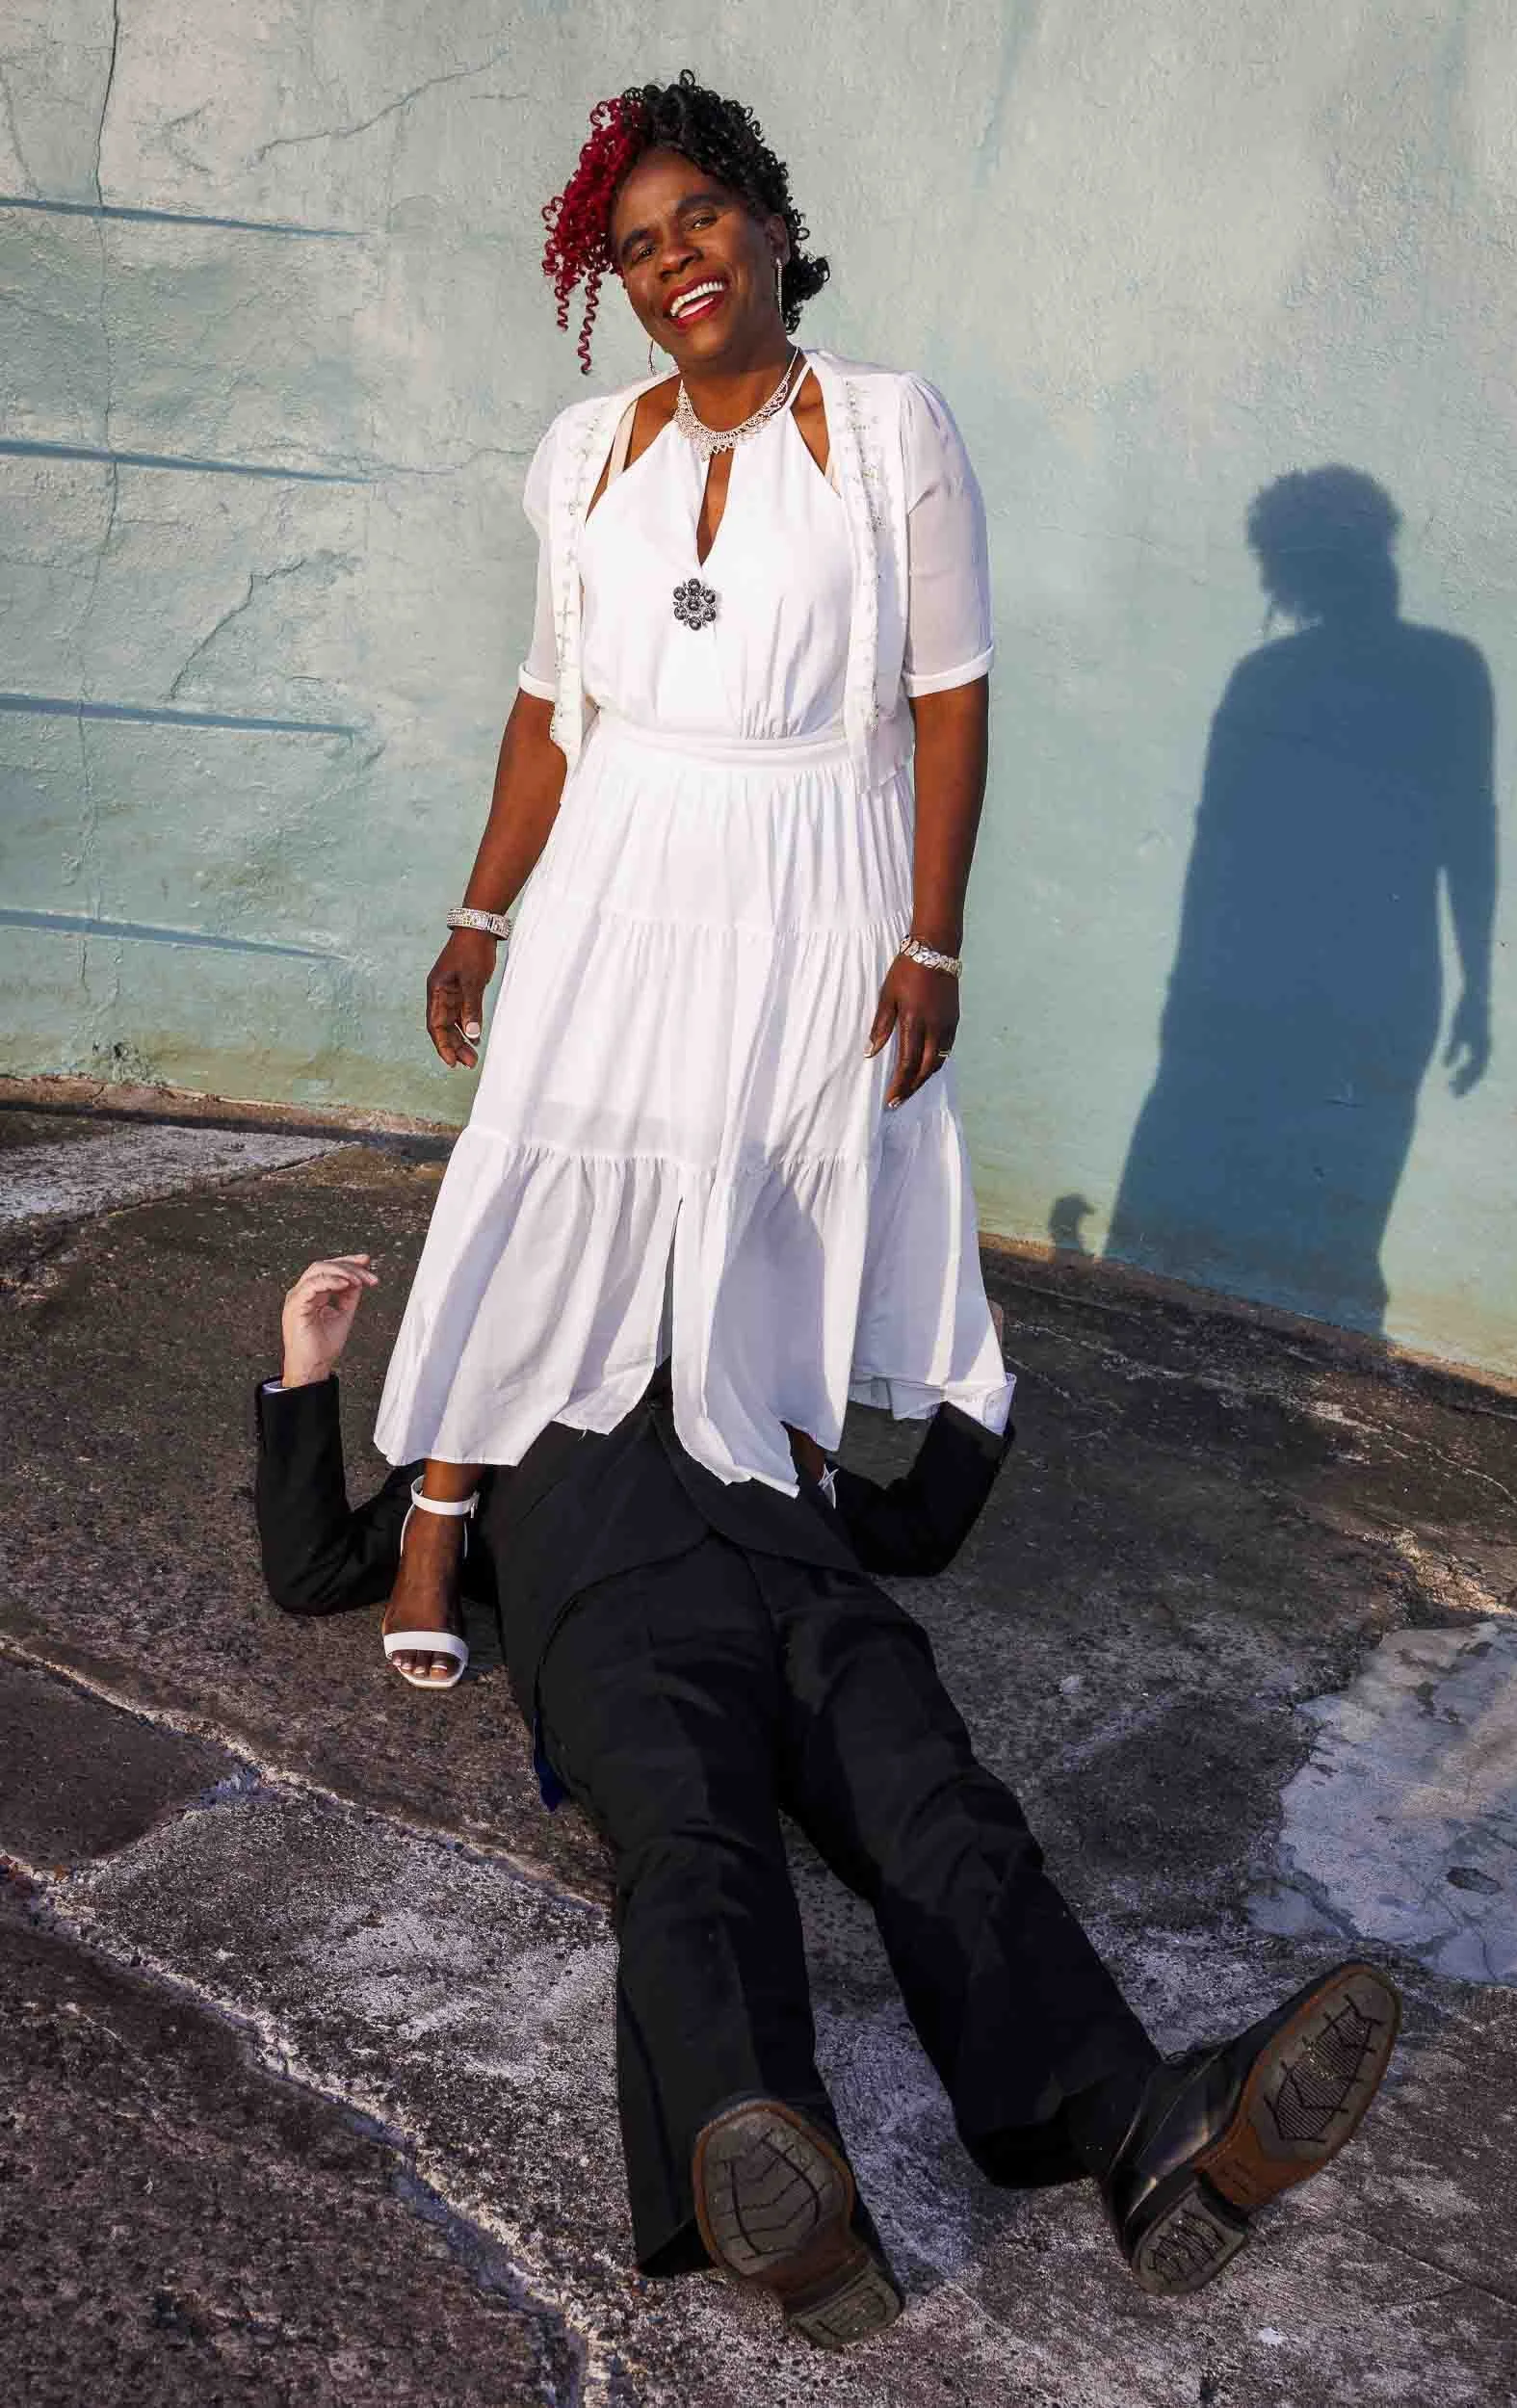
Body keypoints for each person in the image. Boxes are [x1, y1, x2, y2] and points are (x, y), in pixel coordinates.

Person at [258, 1253, 1401, 2352]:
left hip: (821, 1610)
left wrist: (976, 1378)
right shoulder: (480, 1437)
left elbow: (914, 1531)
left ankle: (1135, 2126)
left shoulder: (751, 1410)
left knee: (950, 1825)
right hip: (623, 1629)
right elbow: (315, 1570)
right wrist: (308, 1368)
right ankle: (778, 2185)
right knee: (697, 1850)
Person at [370, 70, 1012, 1688]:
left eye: (699, 218)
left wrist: (931, 943)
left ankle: (780, 1524)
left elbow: (948, 700)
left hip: (818, 860)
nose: (675, 263)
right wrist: (478, 915)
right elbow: (549, 703)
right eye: (638, 249)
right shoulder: (587, 451)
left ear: (771, 226)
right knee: (547, 1156)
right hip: (619, 859)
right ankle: (439, 1509)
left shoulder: (889, 429)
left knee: (791, 1183)